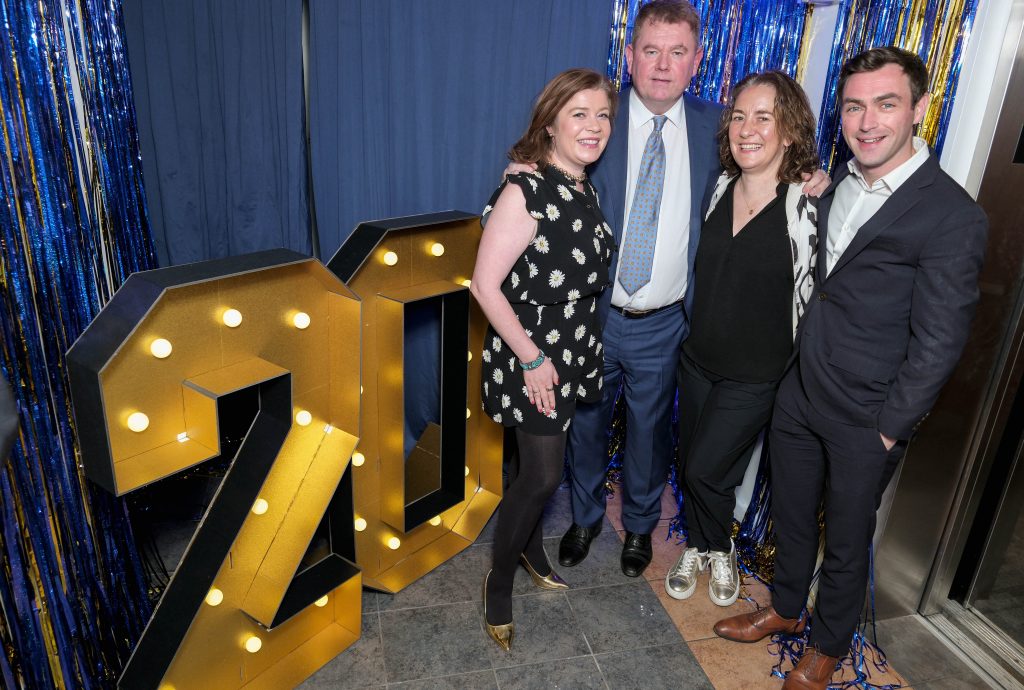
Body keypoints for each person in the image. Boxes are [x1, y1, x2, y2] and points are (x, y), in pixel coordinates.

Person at [713, 47, 988, 690]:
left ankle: (829, 644)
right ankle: (784, 609)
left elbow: (942, 338)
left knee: (845, 536)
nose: (867, 121)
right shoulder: (831, 181)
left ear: (921, 109)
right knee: (790, 509)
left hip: (868, 416)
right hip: (799, 393)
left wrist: (889, 428)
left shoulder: (952, 214)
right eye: (855, 105)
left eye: (886, 104)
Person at [470, 68, 617, 652]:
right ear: (551, 124)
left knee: (534, 473)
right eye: (578, 114)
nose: (593, 126)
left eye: (602, 114)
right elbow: (484, 284)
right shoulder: (524, 189)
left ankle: (529, 550)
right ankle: (497, 582)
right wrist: (532, 359)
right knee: (542, 476)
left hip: (571, 346)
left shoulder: (582, 186)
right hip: (531, 354)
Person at [663, 71, 819, 608]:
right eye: (739, 115)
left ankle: (717, 547)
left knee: (704, 467)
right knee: (704, 466)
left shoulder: (806, 208)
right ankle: (705, 547)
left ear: (790, 132)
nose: (746, 128)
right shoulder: (717, 189)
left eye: (764, 117)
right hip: (698, 359)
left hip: (757, 373)